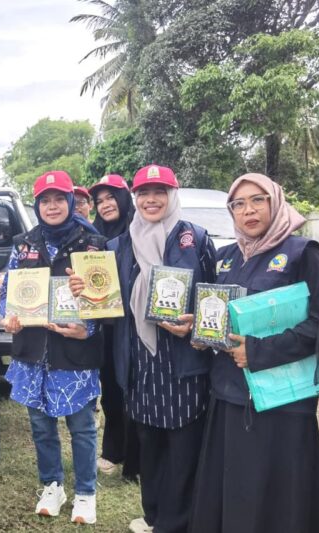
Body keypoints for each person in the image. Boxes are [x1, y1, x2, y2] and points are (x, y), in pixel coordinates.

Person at [71, 164, 217, 533]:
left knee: (183, 446)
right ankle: (153, 515)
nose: (151, 200)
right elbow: (107, 308)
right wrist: (84, 293)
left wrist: (195, 324)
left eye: (159, 192)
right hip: (138, 359)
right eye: (144, 193)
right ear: (134, 198)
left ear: (173, 195)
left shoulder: (195, 239)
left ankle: (177, 522)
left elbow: (214, 296)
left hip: (183, 359)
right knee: (149, 442)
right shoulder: (119, 246)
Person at [189, 173, 319, 533]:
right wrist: (201, 332)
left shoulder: (304, 254)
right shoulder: (225, 258)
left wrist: (258, 351)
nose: (248, 210)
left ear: (276, 202)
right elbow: (218, 315)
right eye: (238, 204)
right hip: (229, 395)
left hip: (282, 403)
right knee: (234, 492)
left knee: (279, 500)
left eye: (258, 200)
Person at [0, 171, 105, 523]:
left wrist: (87, 328)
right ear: (37, 205)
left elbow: (106, 298)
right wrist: (8, 316)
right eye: (45, 200)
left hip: (75, 351)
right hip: (33, 351)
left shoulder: (93, 244)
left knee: (82, 426)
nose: (52, 206)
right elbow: (8, 290)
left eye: (60, 198)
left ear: (71, 202)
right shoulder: (24, 243)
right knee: (41, 425)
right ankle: (52, 485)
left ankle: (86, 492)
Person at [88, 174, 139, 481]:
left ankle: (137, 457)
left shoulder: (139, 230)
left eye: (111, 198)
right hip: (105, 326)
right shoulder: (93, 235)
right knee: (109, 389)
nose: (105, 205)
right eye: (100, 201)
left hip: (134, 326)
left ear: (123, 198)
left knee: (133, 388)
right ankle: (113, 450)